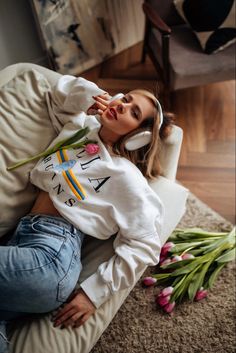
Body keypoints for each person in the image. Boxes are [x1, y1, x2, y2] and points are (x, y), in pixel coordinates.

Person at [0, 75, 173, 352]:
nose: (123, 106)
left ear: (138, 136)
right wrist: (94, 97)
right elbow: (60, 92)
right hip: (19, 241)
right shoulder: (79, 127)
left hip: (51, 257)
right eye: (125, 99)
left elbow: (146, 243)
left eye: (134, 112)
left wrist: (95, 294)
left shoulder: (125, 176)